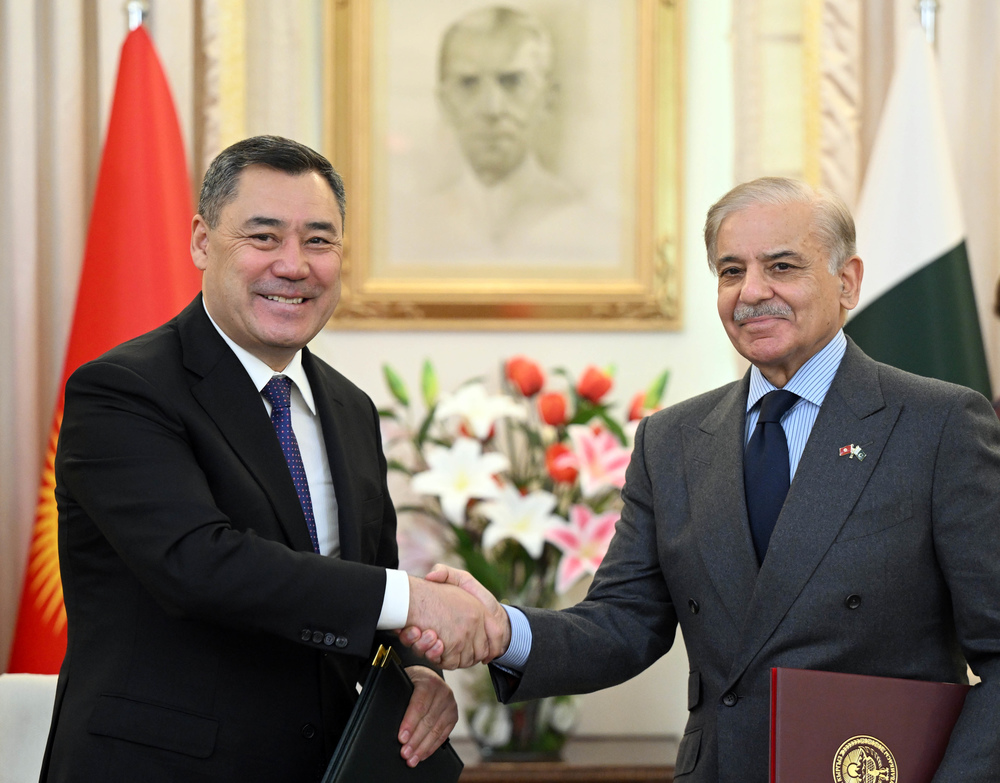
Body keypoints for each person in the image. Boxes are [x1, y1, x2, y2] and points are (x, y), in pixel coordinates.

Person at [404, 177, 1000, 782]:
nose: (752, 292)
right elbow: (622, 623)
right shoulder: (672, 441)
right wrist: (502, 630)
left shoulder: (939, 425)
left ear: (847, 281)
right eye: (731, 271)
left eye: (782, 266)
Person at [41, 135, 501, 782]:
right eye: (263, 237)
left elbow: (363, 585)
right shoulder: (123, 390)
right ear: (203, 242)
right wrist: (414, 601)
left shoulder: (351, 408)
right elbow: (200, 564)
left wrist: (415, 673)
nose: (293, 265)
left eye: (319, 240)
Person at [391, 5, 614, 265]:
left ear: (547, 99)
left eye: (512, 82)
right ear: (444, 104)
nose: (491, 108)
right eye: (468, 83)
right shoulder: (407, 232)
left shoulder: (596, 228)